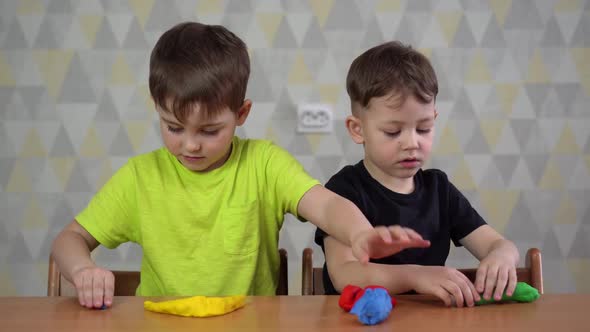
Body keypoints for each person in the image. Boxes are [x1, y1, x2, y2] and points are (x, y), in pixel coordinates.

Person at [51, 23, 429, 309]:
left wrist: (360, 233)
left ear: (241, 113)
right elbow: (69, 240)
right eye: (173, 127)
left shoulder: (263, 164)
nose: (191, 144)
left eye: (210, 129)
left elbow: (326, 205)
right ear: (157, 109)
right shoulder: (140, 177)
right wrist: (83, 270)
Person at [315, 41, 520, 308]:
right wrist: (415, 276)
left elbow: (497, 244)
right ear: (357, 129)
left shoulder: (439, 188)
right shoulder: (344, 190)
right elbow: (345, 274)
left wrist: (502, 256)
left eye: (423, 128)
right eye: (392, 132)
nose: (412, 143)